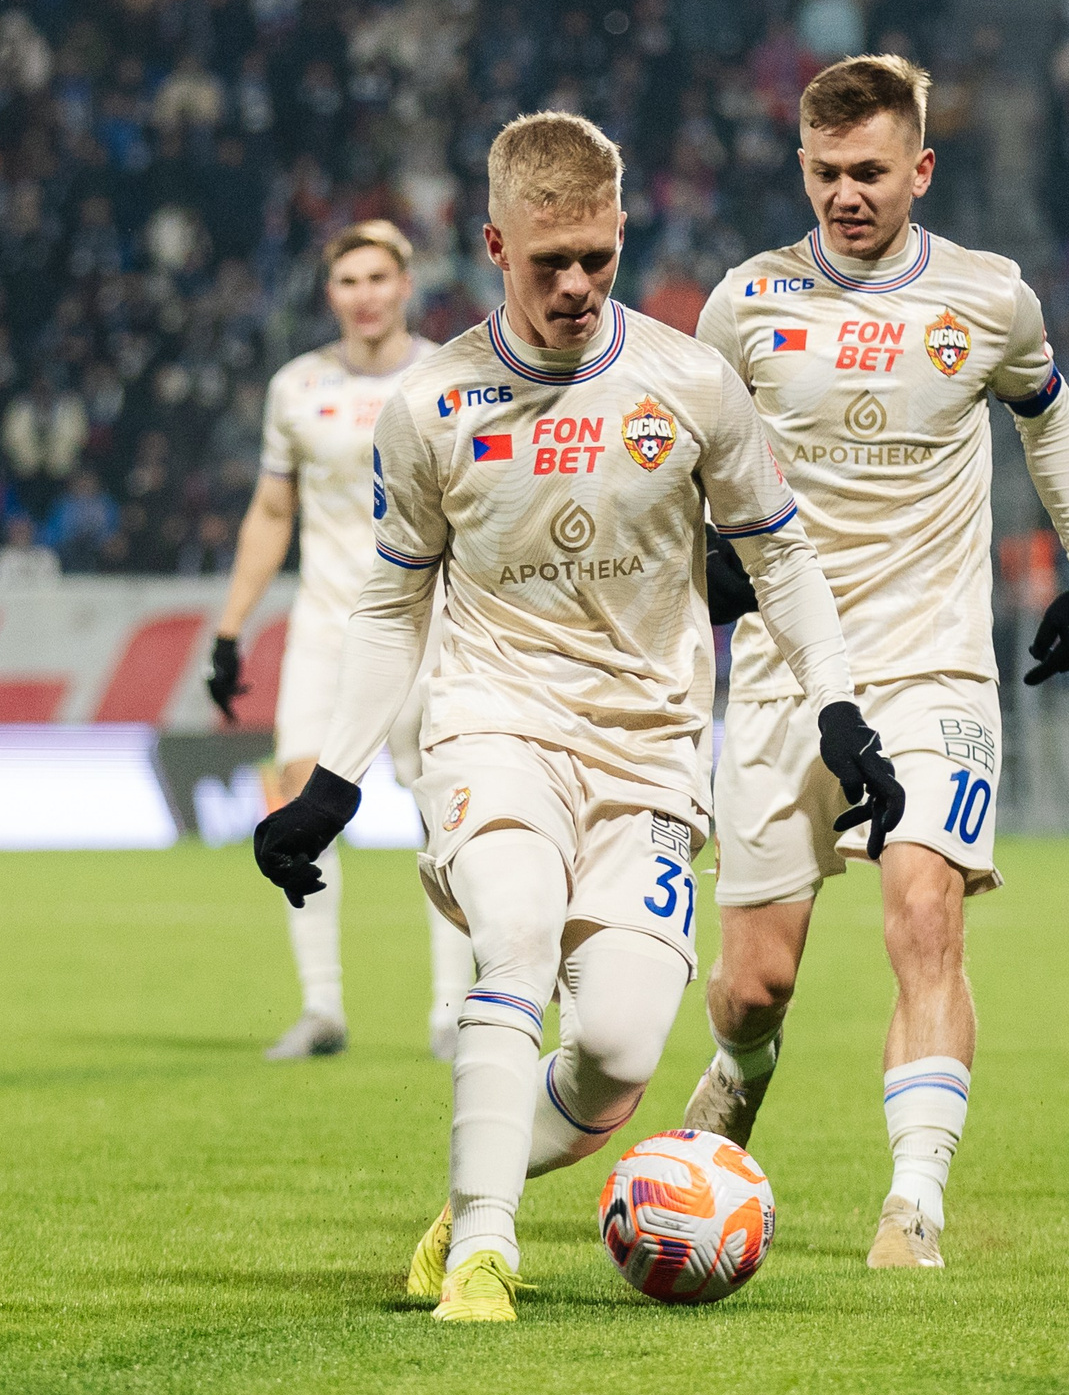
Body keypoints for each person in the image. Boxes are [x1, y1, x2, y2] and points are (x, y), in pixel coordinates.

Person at [250, 111, 901, 1322]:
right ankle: (487, 1253)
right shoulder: (433, 405)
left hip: (649, 757)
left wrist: (842, 715)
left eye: (598, 256)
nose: (576, 284)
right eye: (549, 260)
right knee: (514, 935)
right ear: (493, 242)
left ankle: (472, 1188)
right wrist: (334, 783)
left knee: (615, 1053)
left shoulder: (690, 383)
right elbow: (390, 610)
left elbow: (784, 560)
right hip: (492, 726)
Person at [672, 54, 1069, 1270]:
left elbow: (1048, 407)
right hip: (780, 678)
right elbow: (689, 458)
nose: (845, 195)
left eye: (869, 172)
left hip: (930, 669)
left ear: (919, 169)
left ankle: (912, 1202)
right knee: (757, 983)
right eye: (824, 173)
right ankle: (737, 1071)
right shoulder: (744, 304)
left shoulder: (987, 298)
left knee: (923, 908)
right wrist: (694, 566)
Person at [206, 221, 470, 1062]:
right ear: (331, 293)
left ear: (405, 286)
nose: (364, 294)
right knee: (295, 801)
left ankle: (450, 1011)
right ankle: (321, 1008)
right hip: (325, 626)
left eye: (377, 278)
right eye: (348, 280)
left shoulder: (446, 377)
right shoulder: (296, 388)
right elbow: (272, 513)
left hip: (425, 623)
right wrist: (230, 627)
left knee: (448, 812)